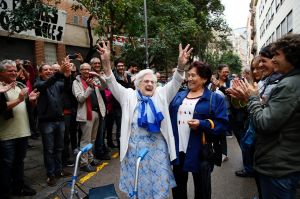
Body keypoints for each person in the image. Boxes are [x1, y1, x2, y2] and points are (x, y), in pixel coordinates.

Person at [97, 41, 192, 198]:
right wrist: (106, 63)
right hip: (134, 151)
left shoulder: (161, 95)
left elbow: (175, 82)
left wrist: (181, 66)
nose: (150, 84)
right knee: (138, 186)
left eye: (153, 82)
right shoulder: (128, 95)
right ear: (138, 83)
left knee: (158, 188)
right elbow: (111, 82)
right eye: (146, 81)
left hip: (158, 152)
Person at [234, 34, 300, 199]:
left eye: (277, 55)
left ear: (291, 56)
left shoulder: (289, 85)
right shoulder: (290, 81)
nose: (274, 59)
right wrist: (248, 99)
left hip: (279, 167)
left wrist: (253, 98)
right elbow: (275, 115)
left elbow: (265, 122)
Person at [169, 61, 228, 199]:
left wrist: (202, 124)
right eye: (188, 75)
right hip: (179, 150)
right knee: (178, 188)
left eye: (193, 75)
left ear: (204, 78)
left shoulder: (215, 98)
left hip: (201, 151)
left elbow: (222, 124)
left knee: (202, 189)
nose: (189, 78)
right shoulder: (179, 96)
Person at [0, 59, 39, 199]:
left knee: (19, 163)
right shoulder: (0, 87)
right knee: (6, 166)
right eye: (10, 71)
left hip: (23, 132)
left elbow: (28, 107)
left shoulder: (20, 85)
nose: (14, 73)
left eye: (15, 70)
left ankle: (19, 187)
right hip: (6, 135)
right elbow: (1, 107)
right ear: (1, 73)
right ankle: (5, 192)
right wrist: (19, 100)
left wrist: (33, 101)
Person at [34, 60, 72, 186]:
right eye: (46, 69)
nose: (49, 71)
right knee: (49, 150)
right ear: (40, 73)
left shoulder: (57, 83)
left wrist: (67, 76)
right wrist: (59, 72)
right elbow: (45, 85)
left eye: (50, 69)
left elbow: (67, 89)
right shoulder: (38, 83)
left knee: (59, 148)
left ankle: (59, 170)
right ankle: (50, 174)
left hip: (59, 121)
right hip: (46, 123)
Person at [72, 63, 104, 172]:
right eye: (84, 69)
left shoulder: (94, 79)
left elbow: (104, 87)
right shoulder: (76, 82)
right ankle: (83, 163)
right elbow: (80, 99)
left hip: (96, 112)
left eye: (88, 69)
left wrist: (99, 76)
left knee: (92, 139)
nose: (86, 71)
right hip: (86, 114)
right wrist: (90, 88)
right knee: (85, 140)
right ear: (80, 71)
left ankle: (90, 159)